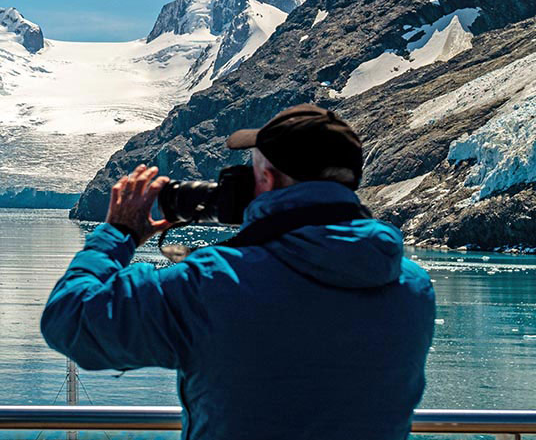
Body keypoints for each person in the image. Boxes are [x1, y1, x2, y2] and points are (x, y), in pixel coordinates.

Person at [41, 105, 435, 440]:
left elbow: (71, 321)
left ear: (269, 177)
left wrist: (118, 233)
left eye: (251, 169)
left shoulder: (213, 282)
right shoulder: (413, 287)